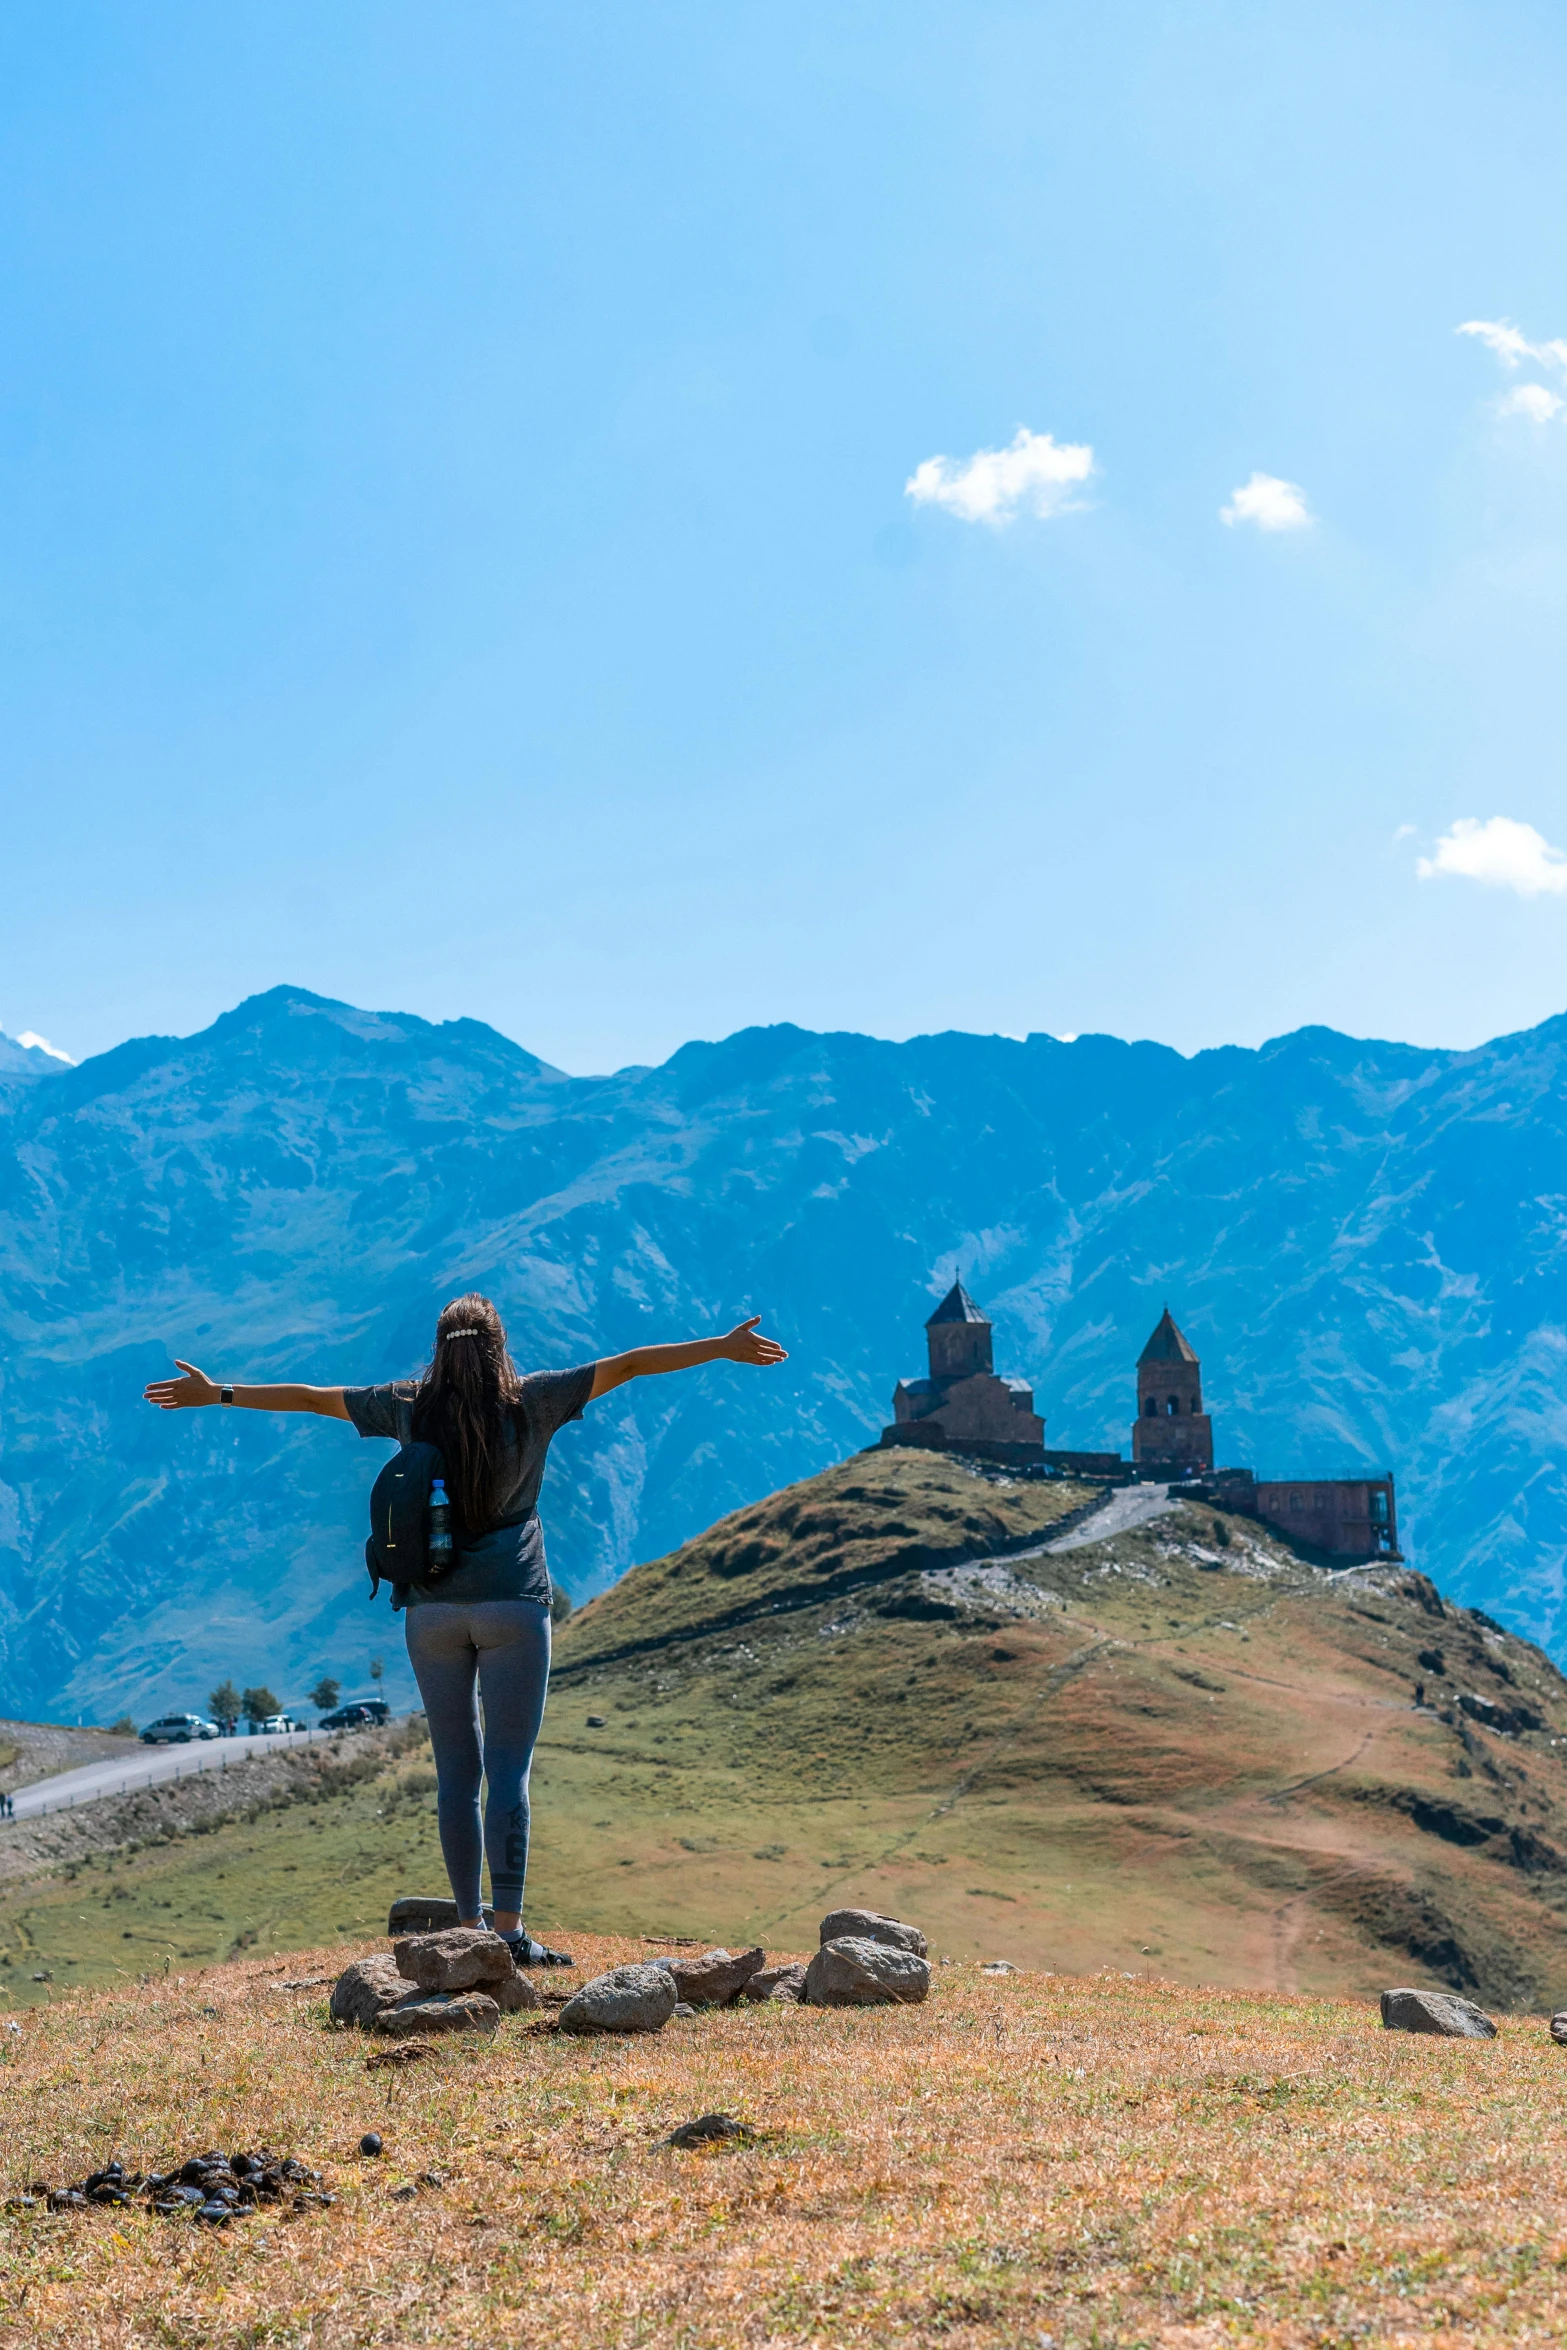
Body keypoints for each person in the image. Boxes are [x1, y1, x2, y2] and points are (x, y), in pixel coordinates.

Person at [143, 1296, 787, 1962]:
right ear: (500, 1345)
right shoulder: (535, 1400)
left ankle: (468, 1929)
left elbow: (312, 1399)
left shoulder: (406, 1405)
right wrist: (718, 1346)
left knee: (457, 1772)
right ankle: (509, 1934)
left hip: (431, 1613)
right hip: (513, 1607)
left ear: (438, 1348)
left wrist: (215, 1392)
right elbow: (627, 1364)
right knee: (508, 1774)